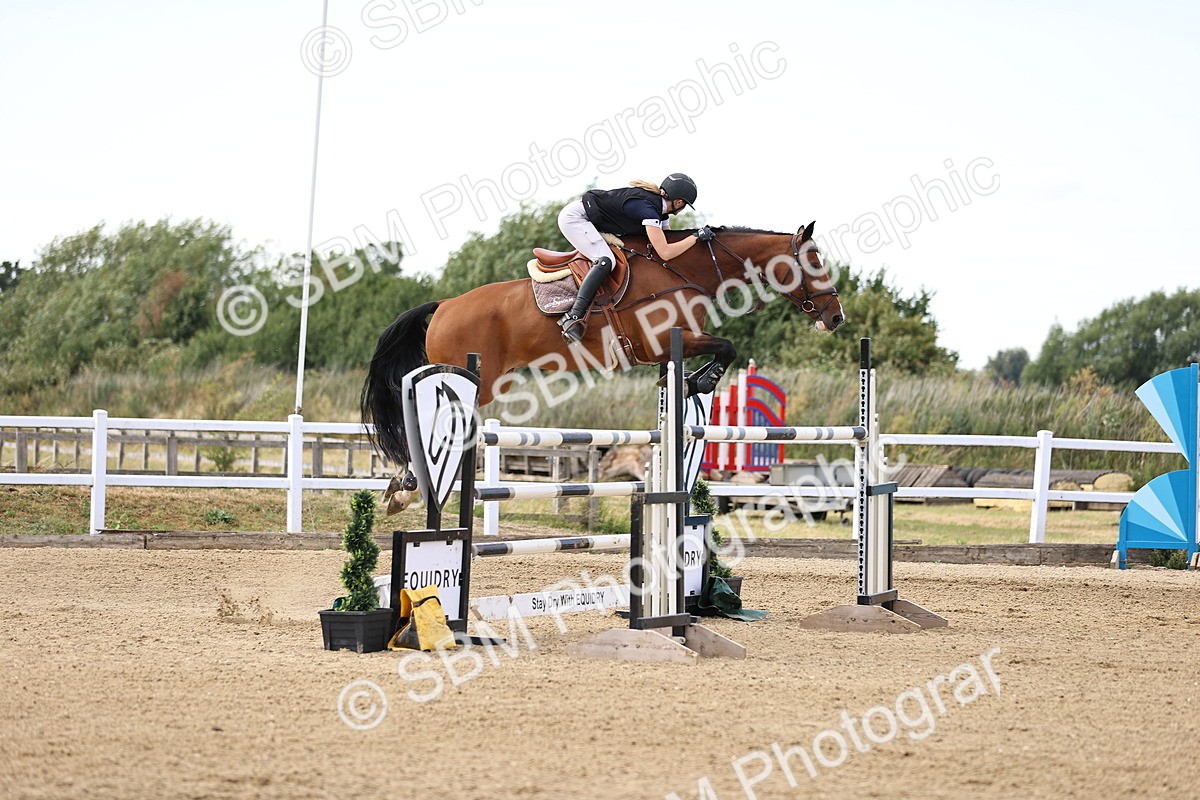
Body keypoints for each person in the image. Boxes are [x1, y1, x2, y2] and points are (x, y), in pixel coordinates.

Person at [555, 173, 715, 343]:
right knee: (605, 260)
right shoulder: (649, 210)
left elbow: (668, 239)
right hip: (575, 219)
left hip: (588, 219)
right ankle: (572, 316)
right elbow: (666, 253)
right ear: (679, 202)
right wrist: (696, 238)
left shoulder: (660, 212)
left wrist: (695, 237)